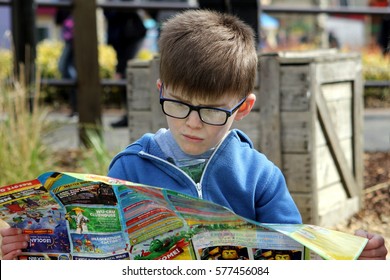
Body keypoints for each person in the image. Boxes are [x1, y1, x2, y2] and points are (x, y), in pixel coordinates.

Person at [0, 10, 387, 260]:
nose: (192, 123)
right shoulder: (131, 166)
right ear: (160, 91)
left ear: (243, 108)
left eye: (212, 111)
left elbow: (295, 254)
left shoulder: (260, 175)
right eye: (179, 105)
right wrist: (20, 248)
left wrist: (354, 257)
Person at [104, 3, 147, 128]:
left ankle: (130, 116)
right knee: (123, 73)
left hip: (130, 33)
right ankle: (129, 115)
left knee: (126, 72)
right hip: (122, 35)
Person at [55, 9, 77, 118]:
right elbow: (58, 19)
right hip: (70, 37)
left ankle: (76, 105)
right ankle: (75, 106)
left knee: (65, 68)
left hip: (73, 38)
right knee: (68, 70)